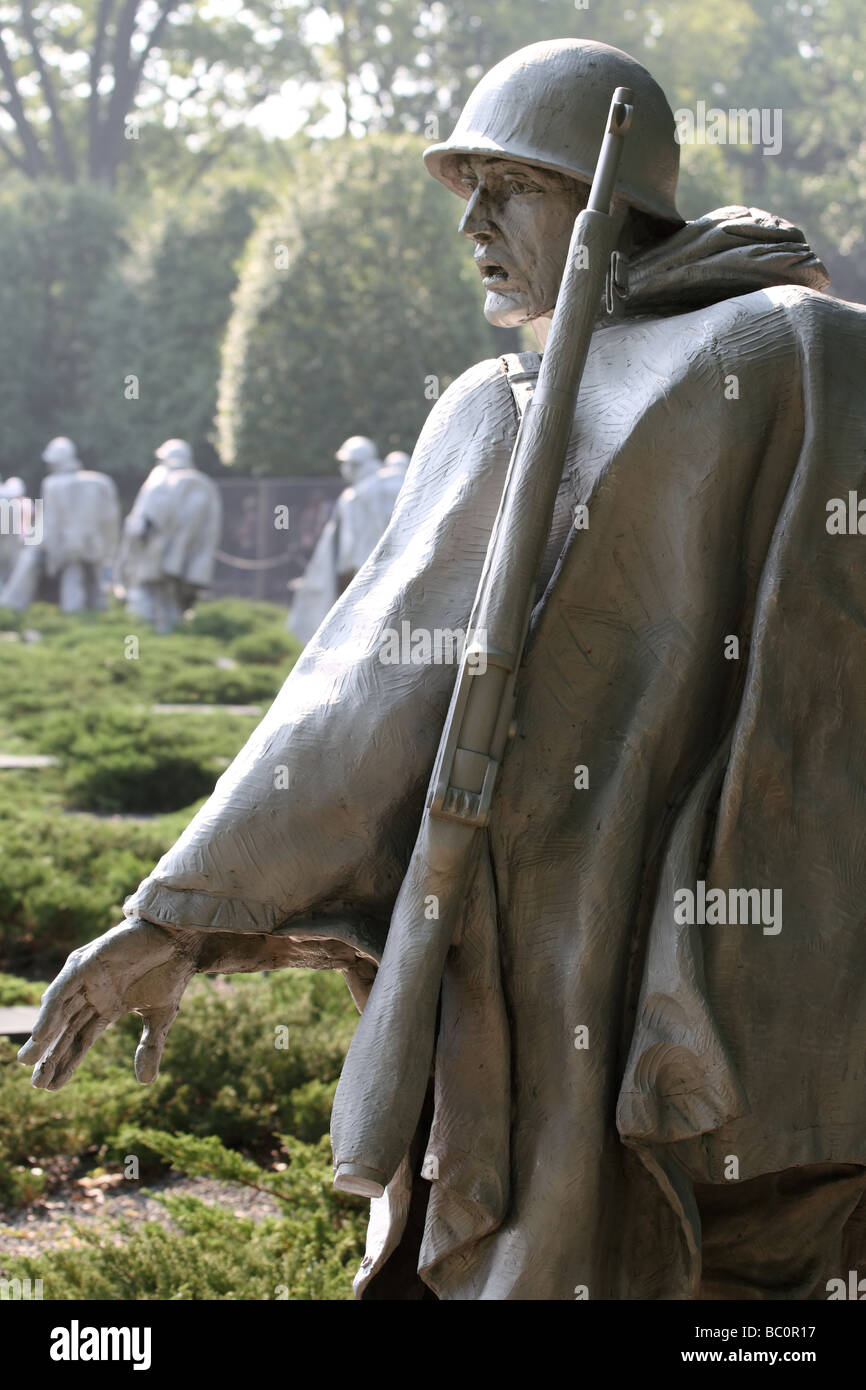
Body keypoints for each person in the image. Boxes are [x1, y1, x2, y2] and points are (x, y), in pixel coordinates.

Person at [19, 39, 866, 1301]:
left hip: (703, 961)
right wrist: (176, 920)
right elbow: (363, 700)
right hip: (569, 973)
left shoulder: (783, 353)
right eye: (461, 187)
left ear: (605, 194)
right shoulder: (506, 405)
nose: (470, 221)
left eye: (507, 184)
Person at [288, 436, 406, 643]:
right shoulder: (389, 484)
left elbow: (348, 549)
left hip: (361, 573)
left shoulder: (355, 495)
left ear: (354, 464)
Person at [2, 437, 120, 613]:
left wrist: (42, 546)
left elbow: (50, 521)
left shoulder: (52, 484)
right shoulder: (99, 481)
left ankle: (11, 608)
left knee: (33, 561)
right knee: (87, 580)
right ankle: (91, 616)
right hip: (92, 544)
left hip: (63, 543)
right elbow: (110, 517)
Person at [118, 439, 222, 635]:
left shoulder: (160, 479)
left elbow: (142, 522)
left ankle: (145, 638)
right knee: (173, 603)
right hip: (185, 563)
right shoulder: (205, 484)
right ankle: (172, 636)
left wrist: (129, 555)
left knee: (146, 599)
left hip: (154, 555)